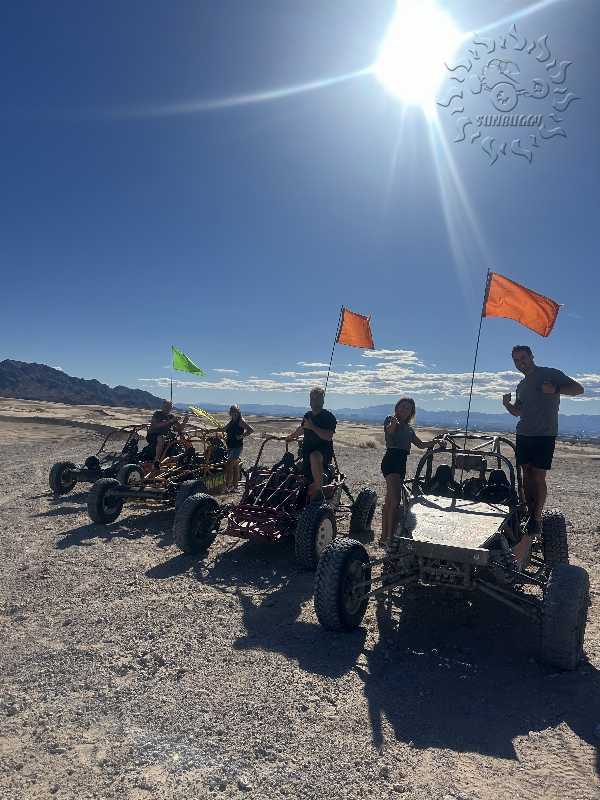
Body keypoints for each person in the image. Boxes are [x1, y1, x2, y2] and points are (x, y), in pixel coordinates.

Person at [503, 345, 584, 564]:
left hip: (544, 434)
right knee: (526, 474)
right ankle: (530, 513)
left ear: (531, 356)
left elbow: (579, 389)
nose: (520, 363)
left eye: (523, 358)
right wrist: (507, 404)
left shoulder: (549, 374)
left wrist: (555, 389)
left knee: (538, 475)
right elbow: (518, 412)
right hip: (524, 433)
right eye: (516, 360)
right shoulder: (521, 385)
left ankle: (536, 518)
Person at [380, 397, 438, 548]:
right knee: (395, 501)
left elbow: (421, 445)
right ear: (397, 407)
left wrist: (437, 442)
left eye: (408, 408)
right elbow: (390, 430)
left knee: (389, 501)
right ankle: (390, 538)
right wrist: (394, 423)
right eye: (402, 406)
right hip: (391, 461)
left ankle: (384, 537)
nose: (404, 410)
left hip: (401, 464)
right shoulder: (390, 420)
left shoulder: (409, 429)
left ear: (411, 412)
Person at [286, 387, 337, 502]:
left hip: (323, 453)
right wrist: (290, 437)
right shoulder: (308, 415)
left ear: (322, 400)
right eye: (312, 399)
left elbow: (328, 436)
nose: (314, 402)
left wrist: (312, 427)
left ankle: (318, 492)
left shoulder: (329, 417)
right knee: (289, 469)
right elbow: (302, 429)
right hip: (307, 452)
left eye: (317, 399)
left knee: (314, 456)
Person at [218, 405, 254, 492]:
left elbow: (251, 430)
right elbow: (223, 429)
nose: (233, 413)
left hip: (237, 447)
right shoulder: (231, 422)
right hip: (230, 446)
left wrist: (241, 436)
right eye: (232, 411)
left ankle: (228, 486)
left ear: (238, 412)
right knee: (235, 466)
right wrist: (212, 430)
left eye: (235, 412)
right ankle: (235, 486)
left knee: (229, 465)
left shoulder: (240, 422)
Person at [146, 400, 188, 470]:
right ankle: (156, 461)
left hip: (165, 437)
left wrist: (184, 422)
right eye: (166, 406)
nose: (167, 408)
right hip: (153, 435)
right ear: (162, 406)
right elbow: (156, 425)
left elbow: (179, 428)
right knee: (161, 438)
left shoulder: (171, 416)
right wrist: (170, 421)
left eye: (169, 407)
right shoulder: (157, 414)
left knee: (177, 441)